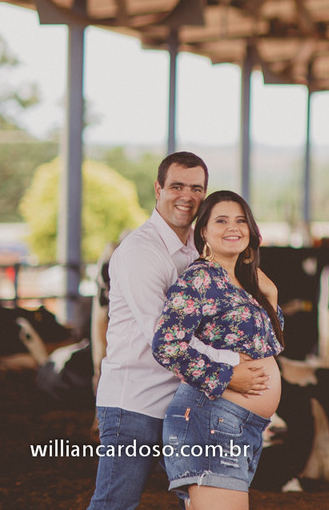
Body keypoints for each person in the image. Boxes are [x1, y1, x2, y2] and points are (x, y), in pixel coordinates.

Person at [88, 153, 269, 510]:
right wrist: (231, 373)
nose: (186, 196)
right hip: (136, 403)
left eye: (196, 188)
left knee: (202, 502)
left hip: (186, 403)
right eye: (177, 186)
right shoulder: (141, 252)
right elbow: (166, 340)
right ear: (158, 189)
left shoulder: (197, 252)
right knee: (115, 502)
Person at [153, 190, 284, 509]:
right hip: (210, 419)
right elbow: (166, 345)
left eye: (240, 220)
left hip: (241, 423)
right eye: (221, 220)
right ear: (204, 233)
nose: (233, 227)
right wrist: (226, 377)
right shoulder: (198, 279)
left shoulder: (242, 281)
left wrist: (272, 297)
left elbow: (266, 345)